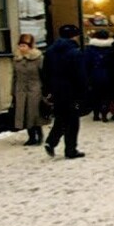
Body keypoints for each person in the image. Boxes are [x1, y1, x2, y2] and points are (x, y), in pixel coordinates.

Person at [43, 24, 88, 159]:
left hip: (57, 90)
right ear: (75, 36)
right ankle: (70, 149)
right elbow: (80, 74)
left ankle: (51, 141)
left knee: (61, 117)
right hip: (72, 91)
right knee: (73, 121)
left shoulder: (50, 51)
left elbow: (45, 72)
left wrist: (48, 89)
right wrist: (84, 91)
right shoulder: (75, 52)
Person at [11, 33, 45, 146]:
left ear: (30, 46)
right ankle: (31, 136)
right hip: (21, 89)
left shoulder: (38, 58)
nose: (21, 48)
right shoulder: (17, 59)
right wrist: (13, 91)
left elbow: (44, 74)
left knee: (34, 113)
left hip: (35, 88)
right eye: (20, 45)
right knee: (24, 113)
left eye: (24, 46)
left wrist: (45, 89)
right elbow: (14, 76)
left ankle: (39, 134)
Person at [84, 29, 114, 122]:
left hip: (94, 75)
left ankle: (96, 114)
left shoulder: (89, 49)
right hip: (108, 75)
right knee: (106, 95)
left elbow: (86, 63)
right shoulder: (111, 48)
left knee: (95, 95)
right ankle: (104, 113)